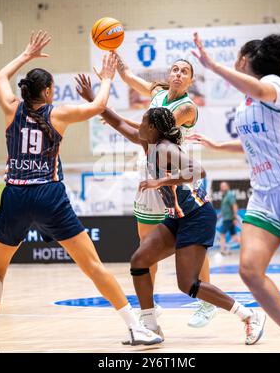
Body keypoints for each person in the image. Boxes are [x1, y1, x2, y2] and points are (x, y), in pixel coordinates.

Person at [0, 30, 163, 346]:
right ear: (47, 92)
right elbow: (99, 104)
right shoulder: (58, 113)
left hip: (15, 194)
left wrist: (26, 55)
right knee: (92, 266)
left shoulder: (10, 106)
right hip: (48, 194)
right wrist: (108, 78)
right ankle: (134, 327)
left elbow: (0, 75)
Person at [99, 105, 266, 346]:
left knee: (188, 284)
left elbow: (198, 170)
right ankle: (150, 327)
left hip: (197, 215)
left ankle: (249, 316)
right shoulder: (150, 143)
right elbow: (119, 124)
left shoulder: (166, 147)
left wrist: (162, 181)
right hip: (178, 217)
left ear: (153, 128)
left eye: (143, 121)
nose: (139, 125)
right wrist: (95, 102)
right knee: (139, 261)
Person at [188, 32, 280, 352]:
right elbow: (252, 145)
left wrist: (212, 65)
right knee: (249, 270)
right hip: (263, 194)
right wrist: (217, 144)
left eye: (237, 57)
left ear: (246, 59)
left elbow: (259, 88)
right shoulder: (244, 104)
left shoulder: (276, 85)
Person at [114, 54, 217, 328]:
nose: (179, 74)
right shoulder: (157, 92)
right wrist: (119, 66)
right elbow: (131, 79)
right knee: (146, 241)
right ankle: (152, 304)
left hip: (173, 171)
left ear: (191, 80)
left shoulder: (187, 108)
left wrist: (116, 118)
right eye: (175, 69)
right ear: (169, 74)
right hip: (149, 167)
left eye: (185, 71)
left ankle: (207, 302)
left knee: (192, 241)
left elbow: (152, 128)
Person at [219, 181, 241, 255]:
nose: (222, 187)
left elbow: (234, 206)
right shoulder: (224, 196)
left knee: (222, 234)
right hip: (226, 218)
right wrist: (219, 216)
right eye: (221, 186)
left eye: (224, 186)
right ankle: (247, 248)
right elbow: (225, 209)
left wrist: (235, 218)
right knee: (234, 237)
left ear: (227, 186)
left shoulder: (229, 195)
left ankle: (222, 251)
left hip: (229, 219)